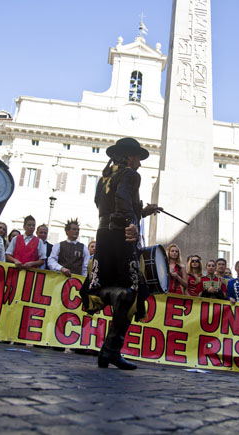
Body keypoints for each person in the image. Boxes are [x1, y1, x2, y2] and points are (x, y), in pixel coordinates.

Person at [80, 137, 161, 370]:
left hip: (104, 235)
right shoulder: (130, 175)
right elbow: (122, 199)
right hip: (121, 236)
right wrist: (130, 223)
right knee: (132, 291)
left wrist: (141, 212)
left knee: (108, 283)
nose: (139, 163)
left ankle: (109, 351)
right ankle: (112, 350)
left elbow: (104, 205)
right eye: (137, 158)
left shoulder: (104, 178)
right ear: (129, 157)